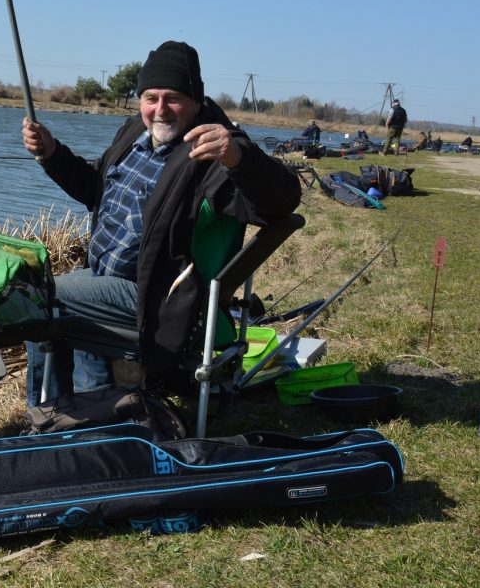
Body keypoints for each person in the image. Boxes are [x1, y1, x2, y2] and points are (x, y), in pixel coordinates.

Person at [20, 41, 302, 406]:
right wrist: (51, 153)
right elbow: (96, 189)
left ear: (195, 101)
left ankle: (48, 413)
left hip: (152, 296)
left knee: (35, 299)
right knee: (57, 297)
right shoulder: (134, 131)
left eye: (173, 98)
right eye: (150, 97)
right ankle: (89, 410)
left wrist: (238, 158)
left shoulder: (212, 148)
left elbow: (280, 203)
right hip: (102, 277)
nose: (160, 109)